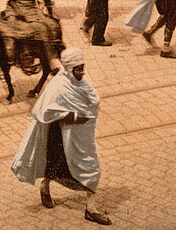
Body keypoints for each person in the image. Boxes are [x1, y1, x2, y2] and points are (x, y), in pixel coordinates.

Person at [11, 48, 111, 225]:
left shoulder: (83, 82)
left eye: (82, 68)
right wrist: (73, 116)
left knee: (91, 166)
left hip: (82, 136)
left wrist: (87, 112)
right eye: (77, 69)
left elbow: (92, 100)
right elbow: (44, 110)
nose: (81, 72)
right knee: (55, 163)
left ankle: (91, 208)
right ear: (69, 69)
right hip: (61, 133)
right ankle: (45, 187)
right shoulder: (58, 86)